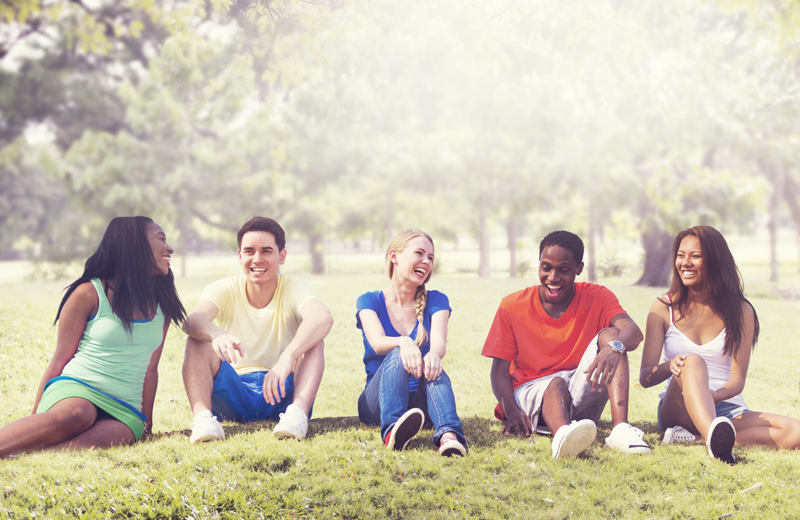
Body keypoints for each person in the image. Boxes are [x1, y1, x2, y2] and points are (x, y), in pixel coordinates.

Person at [0, 216, 185, 458]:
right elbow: (59, 359)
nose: (169, 247)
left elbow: (151, 370)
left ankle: (30, 456)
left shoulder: (163, 304)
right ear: (135, 244)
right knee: (80, 413)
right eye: (161, 239)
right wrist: (37, 418)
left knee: (118, 435)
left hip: (124, 407)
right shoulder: (89, 293)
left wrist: (146, 428)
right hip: (76, 391)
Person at [482, 230, 651, 458]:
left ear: (578, 269)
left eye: (563, 270)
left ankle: (620, 430)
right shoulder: (512, 305)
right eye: (546, 268)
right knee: (556, 383)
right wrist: (511, 412)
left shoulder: (597, 296)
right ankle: (563, 437)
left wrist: (614, 348)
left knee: (612, 335)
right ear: (539, 265)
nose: (552, 277)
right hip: (532, 389)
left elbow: (633, 331)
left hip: (579, 388)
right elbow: (499, 372)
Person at [640, 225, 800, 463]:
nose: (685, 262)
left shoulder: (741, 311)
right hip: (678, 407)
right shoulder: (664, 308)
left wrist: (707, 396)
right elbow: (645, 377)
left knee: (795, 431)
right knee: (692, 361)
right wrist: (669, 366)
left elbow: (737, 381)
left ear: (715, 261)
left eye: (695, 256)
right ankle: (713, 442)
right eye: (681, 255)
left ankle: (699, 438)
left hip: (728, 408)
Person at [182, 216, 333, 443]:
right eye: (250, 251)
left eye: (266, 251)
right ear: (240, 255)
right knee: (197, 340)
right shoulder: (225, 288)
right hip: (233, 391)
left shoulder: (293, 288)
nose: (257, 259)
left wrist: (287, 358)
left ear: (281, 256)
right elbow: (191, 320)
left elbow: (322, 317)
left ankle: (297, 416)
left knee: (314, 341)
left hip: (280, 391)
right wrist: (215, 334)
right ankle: (203, 420)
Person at [356, 229, 467, 456]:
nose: (426, 262)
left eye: (431, 258)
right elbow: (377, 343)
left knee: (433, 364)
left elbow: (438, 344)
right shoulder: (369, 300)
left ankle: (448, 437)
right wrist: (404, 342)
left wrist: (434, 354)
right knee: (398, 349)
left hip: (421, 406)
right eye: (419, 253)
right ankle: (392, 431)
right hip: (376, 403)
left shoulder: (437, 300)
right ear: (394, 256)